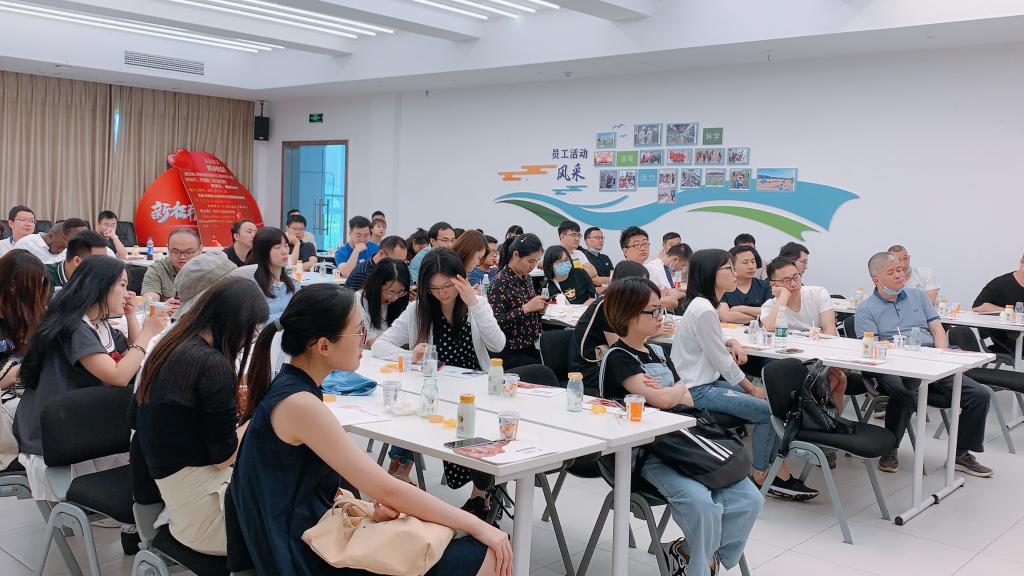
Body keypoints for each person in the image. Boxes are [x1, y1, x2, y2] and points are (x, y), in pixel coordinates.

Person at [232, 284, 510, 576]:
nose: (364, 341)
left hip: (307, 535)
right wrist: (478, 524)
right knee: (485, 552)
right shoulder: (300, 403)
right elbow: (387, 488)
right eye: (358, 332)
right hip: (302, 554)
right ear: (324, 346)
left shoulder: (294, 389)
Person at [601, 277, 763, 576]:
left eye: (660, 309)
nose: (660, 317)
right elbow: (666, 398)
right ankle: (700, 568)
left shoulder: (657, 353)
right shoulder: (618, 358)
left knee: (751, 499)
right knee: (702, 505)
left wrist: (667, 392)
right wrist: (669, 392)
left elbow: (682, 397)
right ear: (629, 314)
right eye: (653, 311)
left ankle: (688, 552)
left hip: (686, 442)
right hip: (649, 453)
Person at [14, 256, 168, 500]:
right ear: (100, 287)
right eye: (122, 285)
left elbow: (130, 356)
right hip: (59, 430)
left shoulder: (97, 322)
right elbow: (119, 376)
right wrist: (148, 332)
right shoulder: (75, 327)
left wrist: (131, 317)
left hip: (79, 416)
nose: (128, 293)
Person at [133, 279, 268, 555]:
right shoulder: (211, 364)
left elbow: (134, 419)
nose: (248, 340)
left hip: (175, 499)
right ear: (236, 324)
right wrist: (257, 417)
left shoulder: (170, 343)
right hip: (207, 518)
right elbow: (224, 457)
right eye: (251, 331)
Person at [672, 250, 818, 500]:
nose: (734, 273)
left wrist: (732, 342)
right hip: (697, 390)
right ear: (711, 274)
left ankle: (775, 472)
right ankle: (761, 475)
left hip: (706, 382)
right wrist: (751, 388)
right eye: (728, 269)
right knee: (766, 411)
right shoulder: (704, 309)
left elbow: (714, 340)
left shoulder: (704, 305)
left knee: (771, 403)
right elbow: (722, 361)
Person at [372, 249, 505, 514]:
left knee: (483, 431)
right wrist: (411, 356)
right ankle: (479, 493)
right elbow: (379, 346)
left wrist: (474, 304)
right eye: (434, 288)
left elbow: (497, 344)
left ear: (460, 280)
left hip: (476, 391)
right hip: (436, 391)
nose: (442, 293)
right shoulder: (417, 310)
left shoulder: (477, 304)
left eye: (447, 286)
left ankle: (481, 496)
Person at [855, 252, 993, 477]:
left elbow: (937, 329)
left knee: (979, 395)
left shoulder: (917, 296)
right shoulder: (866, 309)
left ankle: (961, 455)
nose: (899, 275)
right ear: (876, 279)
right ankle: (890, 449)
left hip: (929, 359)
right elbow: (872, 348)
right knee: (905, 394)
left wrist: (941, 354)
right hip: (892, 365)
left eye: (900, 270)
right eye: (891, 272)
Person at [759, 256, 848, 409]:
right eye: (786, 281)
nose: (793, 284)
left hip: (821, 356)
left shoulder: (817, 293)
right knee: (834, 380)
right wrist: (784, 295)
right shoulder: (769, 306)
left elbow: (830, 332)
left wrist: (825, 362)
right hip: (791, 361)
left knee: (839, 378)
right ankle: (807, 413)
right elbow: (770, 327)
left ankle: (820, 418)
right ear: (773, 284)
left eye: (796, 277)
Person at [568, 260, 659, 395]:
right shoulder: (608, 305)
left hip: (609, 362)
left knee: (654, 375)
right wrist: (653, 332)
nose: (645, 289)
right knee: (647, 381)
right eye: (641, 284)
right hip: (590, 368)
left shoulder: (622, 304)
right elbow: (620, 348)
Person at [488, 234, 546, 368]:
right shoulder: (500, 282)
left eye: (536, 261)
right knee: (542, 371)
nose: (533, 266)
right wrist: (526, 308)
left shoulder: (526, 277)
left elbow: (529, 310)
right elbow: (496, 322)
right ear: (516, 255)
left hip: (529, 344)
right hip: (509, 349)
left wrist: (539, 309)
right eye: (530, 261)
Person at [0, 251, 50, 392]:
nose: (37, 298)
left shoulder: (30, 313)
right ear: (13, 285)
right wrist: (34, 364)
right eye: (33, 290)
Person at [972, 253, 1024, 357]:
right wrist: (1009, 311)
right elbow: (978, 306)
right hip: (1008, 340)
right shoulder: (1001, 283)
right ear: (1022, 262)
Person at [358, 258, 411, 346]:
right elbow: (373, 344)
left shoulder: (399, 302)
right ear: (376, 285)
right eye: (390, 292)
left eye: (400, 292)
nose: (395, 298)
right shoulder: (357, 303)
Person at [141, 227, 201, 304]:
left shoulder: (209, 270)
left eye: (188, 252)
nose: (182, 257)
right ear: (168, 249)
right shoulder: (158, 269)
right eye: (175, 252)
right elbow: (149, 301)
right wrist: (164, 305)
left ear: (200, 250)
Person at [251, 227, 298, 323]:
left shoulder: (294, 284)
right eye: (277, 247)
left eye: (286, 246)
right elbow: (256, 321)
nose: (285, 251)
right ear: (263, 251)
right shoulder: (253, 286)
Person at [718, 245, 772, 323]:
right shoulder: (723, 288)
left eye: (753, 262)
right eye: (745, 262)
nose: (751, 266)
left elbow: (772, 312)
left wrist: (742, 309)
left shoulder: (765, 286)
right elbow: (726, 316)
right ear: (732, 265)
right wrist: (761, 317)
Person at [15, 218, 89, 265]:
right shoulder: (27, 243)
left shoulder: (67, 249)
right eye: (61, 247)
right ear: (50, 236)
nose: (61, 251)